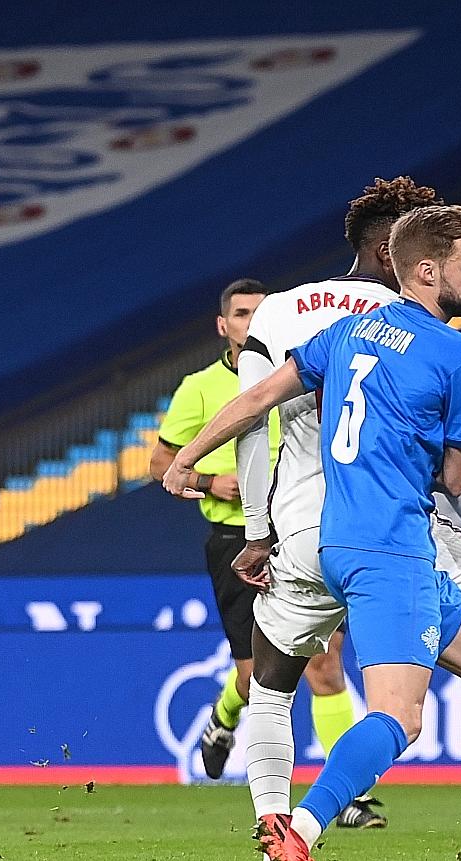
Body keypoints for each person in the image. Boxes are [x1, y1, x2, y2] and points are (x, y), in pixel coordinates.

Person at [166, 205, 461, 861]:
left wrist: (186, 459)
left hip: (338, 540)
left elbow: (257, 403)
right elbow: (456, 481)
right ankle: (300, 834)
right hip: (390, 549)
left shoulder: (347, 331)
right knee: (400, 720)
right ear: (426, 272)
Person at [149, 280, 368, 824]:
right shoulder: (199, 388)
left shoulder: (306, 373)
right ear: (223, 325)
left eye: (258, 313)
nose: (250, 322)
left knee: (324, 661)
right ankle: (224, 718)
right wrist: (210, 479)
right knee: (256, 678)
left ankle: (349, 798)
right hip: (234, 542)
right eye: (240, 314)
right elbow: (160, 464)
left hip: (303, 533)